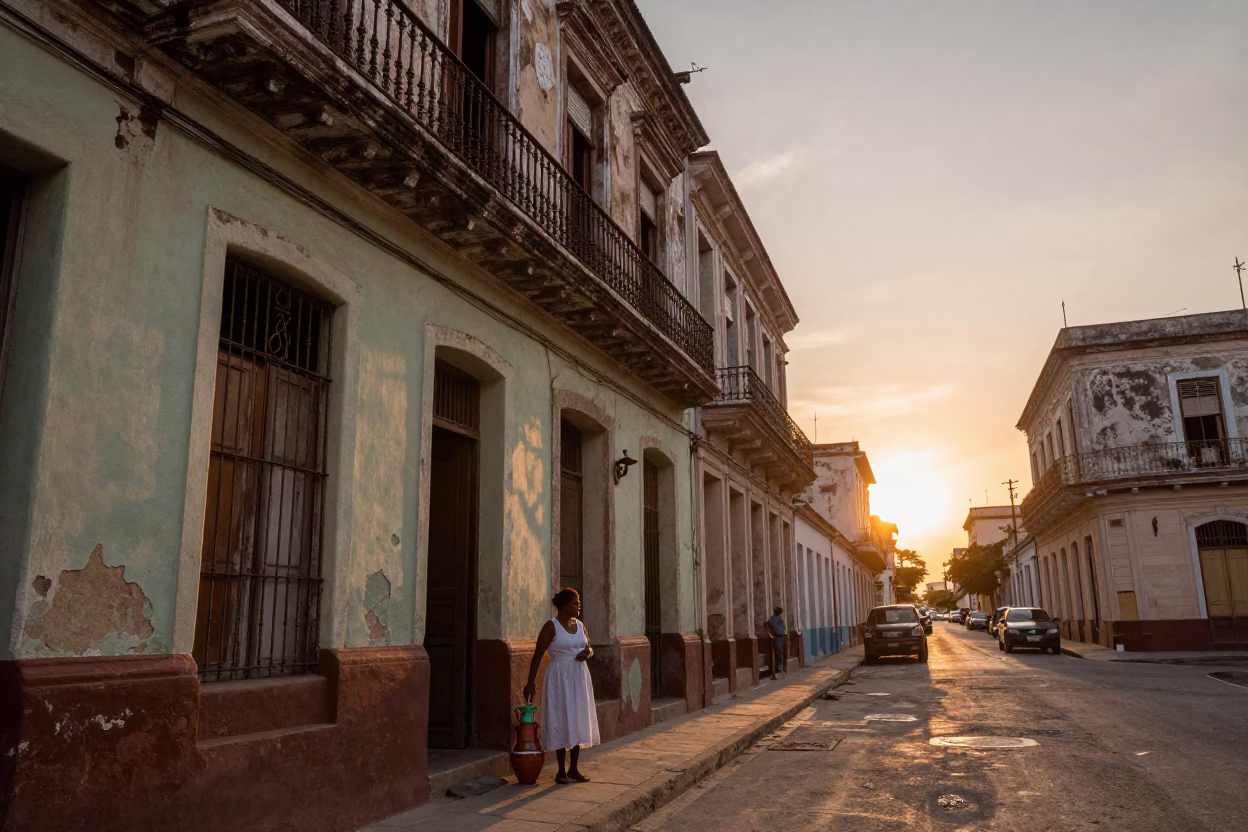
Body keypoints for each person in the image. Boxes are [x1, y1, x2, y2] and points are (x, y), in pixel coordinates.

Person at [523, 588, 600, 784]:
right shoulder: (551, 627)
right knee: (560, 716)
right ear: (564, 606)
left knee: (577, 717)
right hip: (559, 676)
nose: (579, 606)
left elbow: (589, 647)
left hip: (579, 675)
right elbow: (538, 655)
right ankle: (560, 770)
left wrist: (588, 653)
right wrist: (530, 682)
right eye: (575, 603)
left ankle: (574, 768)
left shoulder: (581, 626)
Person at [765, 606, 787, 678]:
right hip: (777, 637)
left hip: (781, 636)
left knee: (780, 652)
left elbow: (784, 627)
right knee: (778, 652)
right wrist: (773, 635)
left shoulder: (779, 619)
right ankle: (778, 668)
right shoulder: (772, 619)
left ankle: (780, 668)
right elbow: (767, 626)